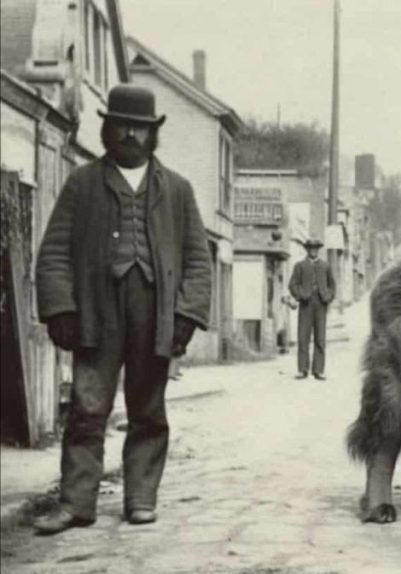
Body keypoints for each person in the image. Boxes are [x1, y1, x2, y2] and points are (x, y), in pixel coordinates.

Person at [33, 84, 212, 534]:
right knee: (87, 407)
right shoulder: (83, 184)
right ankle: (76, 504)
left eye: (140, 128)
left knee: (148, 409)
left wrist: (186, 317)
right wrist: (61, 309)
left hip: (154, 313)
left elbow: (197, 260)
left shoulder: (177, 190)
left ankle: (141, 499)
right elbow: (54, 251)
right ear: (107, 129)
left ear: (153, 134)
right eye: (122, 126)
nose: (131, 135)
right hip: (97, 312)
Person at [288, 238, 335, 380]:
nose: (313, 250)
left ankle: (318, 370)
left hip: (320, 304)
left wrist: (328, 297)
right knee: (303, 337)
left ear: (318, 250)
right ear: (307, 250)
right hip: (305, 304)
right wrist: (300, 294)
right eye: (310, 248)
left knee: (320, 338)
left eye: (315, 248)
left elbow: (332, 286)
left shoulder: (325, 266)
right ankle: (302, 370)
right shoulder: (300, 266)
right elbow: (292, 285)